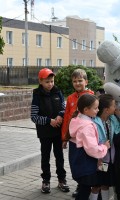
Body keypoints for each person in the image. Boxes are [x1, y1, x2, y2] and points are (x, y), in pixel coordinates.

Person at [30, 68, 69, 194]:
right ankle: (46, 181)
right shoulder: (37, 95)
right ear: (40, 81)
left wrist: (60, 116)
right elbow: (34, 116)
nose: (50, 84)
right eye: (47, 82)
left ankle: (61, 180)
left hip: (58, 132)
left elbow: (64, 108)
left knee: (60, 157)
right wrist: (49, 121)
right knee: (45, 157)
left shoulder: (58, 92)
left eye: (52, 81)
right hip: (45, 133)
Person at [69, 94, 110, 200]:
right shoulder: (87, 126)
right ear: (86, 110)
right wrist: (104, 147)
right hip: (85, 165)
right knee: (85, 190)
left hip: (78, 162)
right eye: (95, 108)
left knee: (85, 188)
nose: (98, 110)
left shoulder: (77, 120)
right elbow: (92, 149)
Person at [60, 68, 94, 197]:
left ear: (86, 81)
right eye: (74, 81)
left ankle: (83, 187)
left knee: (85, 163)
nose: (77, 83)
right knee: (75, 163)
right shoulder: (70, 98)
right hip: (74, 139)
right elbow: (67, 118)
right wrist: (64, 137)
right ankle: (80, 184)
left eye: (80, 80)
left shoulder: (91, 95)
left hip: (86, 138)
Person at [90, 94, 120, 200]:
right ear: (106, 109)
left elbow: (119, 130)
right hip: (100, 159)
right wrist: (98, 158)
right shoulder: (94, 122)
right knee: (97, 185)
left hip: (110, 159)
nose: (116, 108)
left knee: (106, 183)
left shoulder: (113, 119)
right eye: (114, 105)